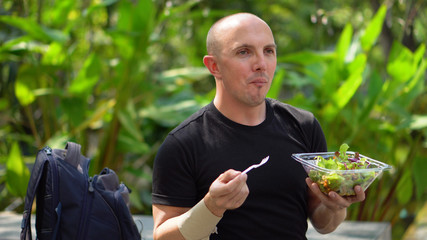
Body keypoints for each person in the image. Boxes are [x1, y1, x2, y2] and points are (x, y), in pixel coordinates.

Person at [151, 12, 365, 240]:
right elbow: (162, 236)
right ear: (214, 66)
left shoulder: (304, 126)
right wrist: (210, 207)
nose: (261, 64)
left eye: (268, 51)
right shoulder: (183, 143)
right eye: (244, 52)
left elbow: (323, 223)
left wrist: (335, 206)